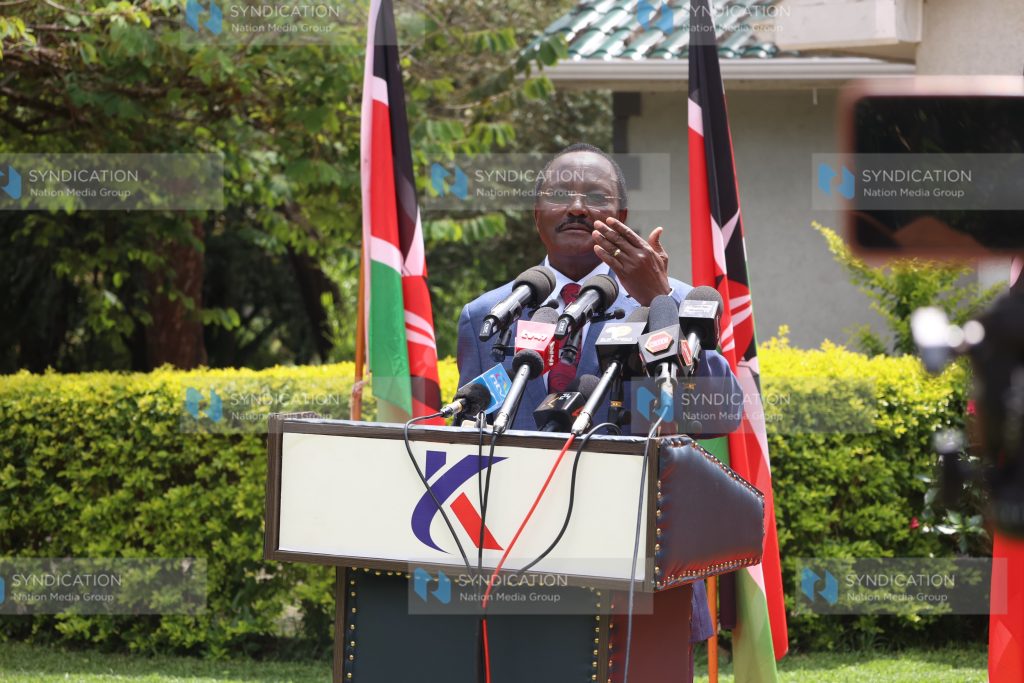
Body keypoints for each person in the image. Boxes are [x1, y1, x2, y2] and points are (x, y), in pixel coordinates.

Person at [455, 142, 742, 677]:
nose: (577, 206)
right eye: (559, 194)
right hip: (521, 567)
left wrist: (658, 300)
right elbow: (473, 435)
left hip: (642, 566)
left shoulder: (675, 299)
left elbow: (715, 412)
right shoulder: (490, 314)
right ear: (537, 212)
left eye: (595, 196)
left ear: (623, 219)